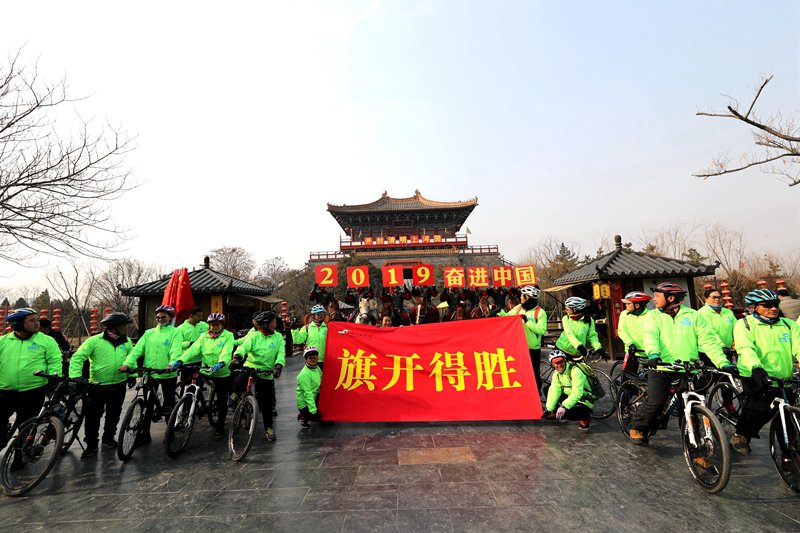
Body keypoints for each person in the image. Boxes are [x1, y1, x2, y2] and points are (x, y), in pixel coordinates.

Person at [629, 282, 735, 445]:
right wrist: (654, 354)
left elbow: (708, 341)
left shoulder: (693, 316)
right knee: (656, 402)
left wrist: (722, 362)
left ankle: (695, 449)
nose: (654, 299)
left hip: (687, 369)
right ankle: (639, 426)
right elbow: (650, 336)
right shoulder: (653, 316)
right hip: (661, 366)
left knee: (690, 409)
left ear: (670, 298)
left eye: (657, 295)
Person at [730, 289, 800, 455]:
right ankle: (741, 435)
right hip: (756, 375)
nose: (773, 308)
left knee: (787, 415)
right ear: (754, 307)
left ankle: (787, 455)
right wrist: (756, 368)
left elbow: (798, 348)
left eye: (775, 304)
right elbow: (746, 348)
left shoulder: (789, 325)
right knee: (758, 410)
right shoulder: (745, 324)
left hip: (783, 376)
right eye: (767, 305)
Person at [69, 312, 134, 457]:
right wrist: (76, 376)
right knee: (93, 417)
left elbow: (131, 357)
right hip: (97, 386)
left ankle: (108, 438)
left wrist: (132, 375)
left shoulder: (127, 341)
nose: (126, 328)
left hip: (119, 384)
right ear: (115, 327)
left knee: (114, 414)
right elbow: (78, 357)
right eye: (124, 325)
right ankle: (91, 444)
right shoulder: (94, 341)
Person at [119, 305, 183, 446]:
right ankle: (145, 434)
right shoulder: (149, 333)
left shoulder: (175, 333)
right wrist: (127, 364)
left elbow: (176, 350)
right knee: (147, 405)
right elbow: (136, 351)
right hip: (150, 373)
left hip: (167, 373)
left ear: (170, 317)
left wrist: (172, 364)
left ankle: (170, 431)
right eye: (157, 317)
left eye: (163, 317)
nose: (160, 319)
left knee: (168, 403)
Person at [0, 308, 62, 448]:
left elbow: (54, 360)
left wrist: (54, 375)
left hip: (33, 391)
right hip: (5, 391)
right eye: (32, 320)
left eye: (37, 320)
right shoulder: (3, 341)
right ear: (17, 324)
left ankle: (19, 456)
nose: (37, 323)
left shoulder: (46, 340)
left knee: (26, 426)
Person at [168, 313, 233, 438]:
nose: (214, 327)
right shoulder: (204, 336)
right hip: (205, 370)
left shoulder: (228, 336)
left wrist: (221, 362)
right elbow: (193, 350)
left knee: (221, 401)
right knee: (194, 385)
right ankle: (195, 405)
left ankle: (220, 427)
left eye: (217, 324)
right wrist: (180, 360)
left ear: (222, 325)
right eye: (212, 324)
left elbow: (227, 351)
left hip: (221, 372)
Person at [231, 310, 285, 442]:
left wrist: (278, 366)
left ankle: (268, 428)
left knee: (266, 403)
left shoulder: (278, 337)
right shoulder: (254, 336)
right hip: (251, 365)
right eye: (273, 322)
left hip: (266, 370)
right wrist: (237, 357)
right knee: (241, 377)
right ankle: (235, 394)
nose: (275, 323)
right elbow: (244, 347)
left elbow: (280, 353)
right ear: (265, 324)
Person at [542, 349, 593, 430]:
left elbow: (577, 393)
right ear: (552, 364)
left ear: (565, 360)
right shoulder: (557, 373)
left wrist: (564, 407)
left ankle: (586, 418)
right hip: (570, 396)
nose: (559, 365)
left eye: (561, 361)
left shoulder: (575, 371)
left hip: (584, 400)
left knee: (568, 413)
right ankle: (554, 413)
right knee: (547, 389)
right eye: (556, 363)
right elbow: (554, 390)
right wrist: (549, 409)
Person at [515, 286, 548, 395]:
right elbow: (507, 316)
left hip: (533, 349)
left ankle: (536, 397)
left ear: (527, 297)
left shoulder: (540, 312)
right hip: (519, 347)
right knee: (520, 374)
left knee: (534, 375)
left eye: (522, 295)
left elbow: (542, 330)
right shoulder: (519, 308)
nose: (520, 297)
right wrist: (498, 311)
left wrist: (527, 321)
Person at [555, 296, 604, 361]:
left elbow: (592, 336)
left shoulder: (589, 320)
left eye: (567, 309)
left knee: (579, 370)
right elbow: (569, 334)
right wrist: (579, 346)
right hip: (562, 349)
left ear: (574, 310)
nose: (565, 310)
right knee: (562, 370)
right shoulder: (566, 318)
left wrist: (598, 348)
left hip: (577, 353)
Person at [697, 288, 736, 362]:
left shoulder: (728, 312)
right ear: (706, 299)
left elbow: (736, 328)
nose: (717, 299)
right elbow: (710, 331)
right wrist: (722, 346)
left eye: (719, 297)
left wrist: (736, 342)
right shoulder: (702, 313)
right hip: (709, 352)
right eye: (714, 297)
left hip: (728, 351)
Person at [617, 291, 651, 374]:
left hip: (648, 352)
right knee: (627, 376)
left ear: (637, 305)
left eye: (628, 304)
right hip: (631, 351)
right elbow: (622, 330)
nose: (625, 305)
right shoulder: (624, 314)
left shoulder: (651, 315)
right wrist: (630, 344)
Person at [290, 305, 328, 370]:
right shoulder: (307, 328)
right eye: (318, 314)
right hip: (311, 359)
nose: (320, 316)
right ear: (313, 316)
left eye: (322, 314)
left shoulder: (327, 328)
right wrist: (294, 329)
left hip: (325, 360)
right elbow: (298, 340)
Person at [296, 346, 323, 429]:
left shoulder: (317, 368)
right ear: (305, 359)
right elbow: (308, 393)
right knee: (320, 418)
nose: (313, 359)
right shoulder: (304, 374)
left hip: (314, 397)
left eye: (315, 357)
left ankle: (307, 414)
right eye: (310, 358)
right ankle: (304, 415)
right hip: (305, 404)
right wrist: (313, 411)